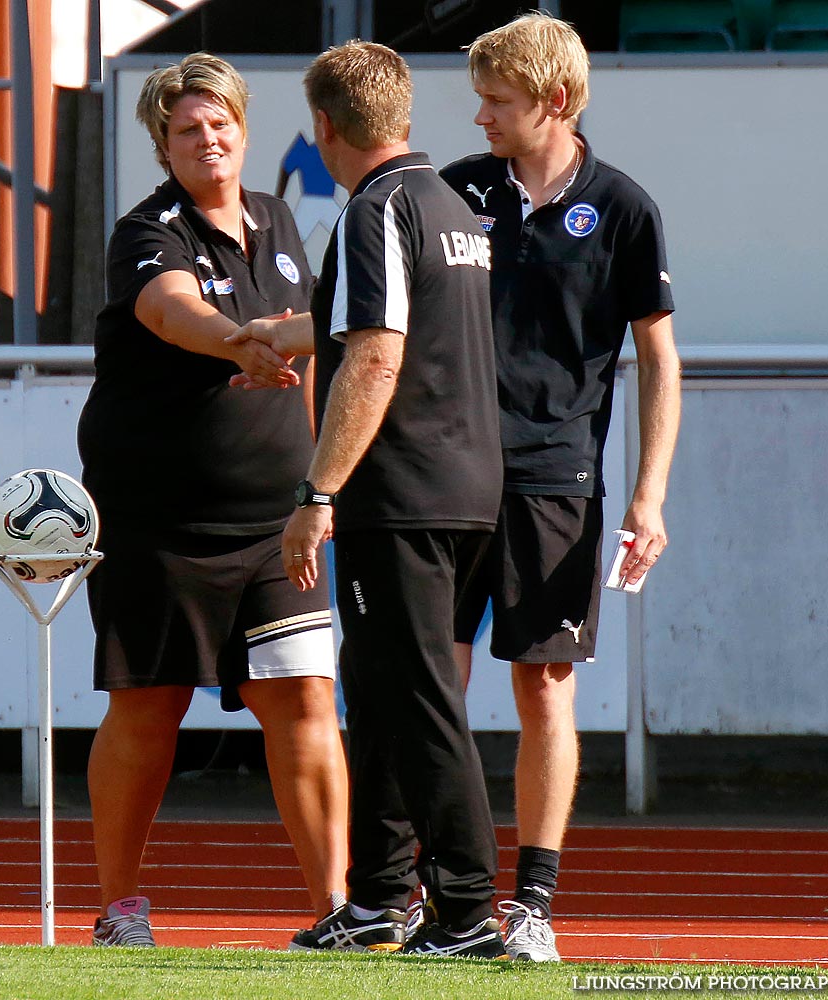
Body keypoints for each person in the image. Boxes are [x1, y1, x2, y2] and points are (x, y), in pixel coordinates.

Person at [230, 40, 506, 958]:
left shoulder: (374, 210)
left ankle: (466, 912)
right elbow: (380, 323)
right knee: (381, 692)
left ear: (321, 128)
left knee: (417, 697)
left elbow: (378, 354)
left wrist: (318, 491)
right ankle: (381, 898)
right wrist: (280, 333)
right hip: (467, 481)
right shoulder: (449, 205)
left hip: (404, 492)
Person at [75, 53, 349, 947]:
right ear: (163, 144)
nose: (207, 139)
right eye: (186, 129)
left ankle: (336, 911)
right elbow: (169, 311)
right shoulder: (145, 230)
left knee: (304, 699)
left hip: (277, 524)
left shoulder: (277, 219)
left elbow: (309, 356)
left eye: (219, 122)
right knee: (150, 707)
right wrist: (235, 342)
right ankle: (119, 908)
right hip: (160, 521)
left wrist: (321, 484)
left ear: (242, 126)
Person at [440, 12, 682, 962]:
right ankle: (442, 892)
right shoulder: (452, 192)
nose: (481, 118)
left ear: (556, 102)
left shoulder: (623, 206)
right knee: (435, 680)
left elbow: (659, 360)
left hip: (555, 478)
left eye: (496, 102)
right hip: (444, 469)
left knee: (541, 685)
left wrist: (647, 494)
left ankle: (530, 904)